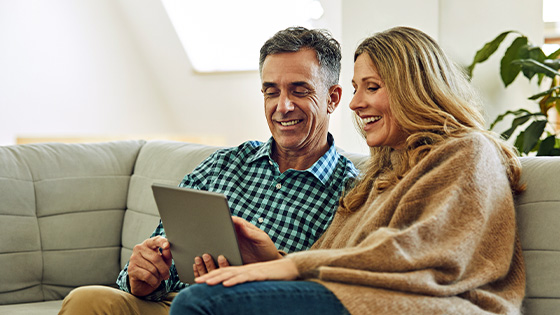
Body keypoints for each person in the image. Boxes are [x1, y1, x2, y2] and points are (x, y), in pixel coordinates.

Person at [168, 26, 526, 315]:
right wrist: (272, 259)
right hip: (364, 299)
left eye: (372, 87)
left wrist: (291, 267)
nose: (355, 103)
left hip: (434, 305)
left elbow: (428, 252)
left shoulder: (468, 151)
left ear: (413, 87)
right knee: (208, 291)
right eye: (356, 88)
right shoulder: (380, 175)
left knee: (203, 303)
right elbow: (340, 255)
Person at [58, 27, 358, 314]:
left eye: (299, 90)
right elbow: (157, 259)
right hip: (178, 302)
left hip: (254, 309)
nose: (283, 106)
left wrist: (267, 270)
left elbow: (338, 297)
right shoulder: (222, 165)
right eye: (271, 92)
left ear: (332, 99)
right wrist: (142, 280)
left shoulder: (351, 193)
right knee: (88, 300)